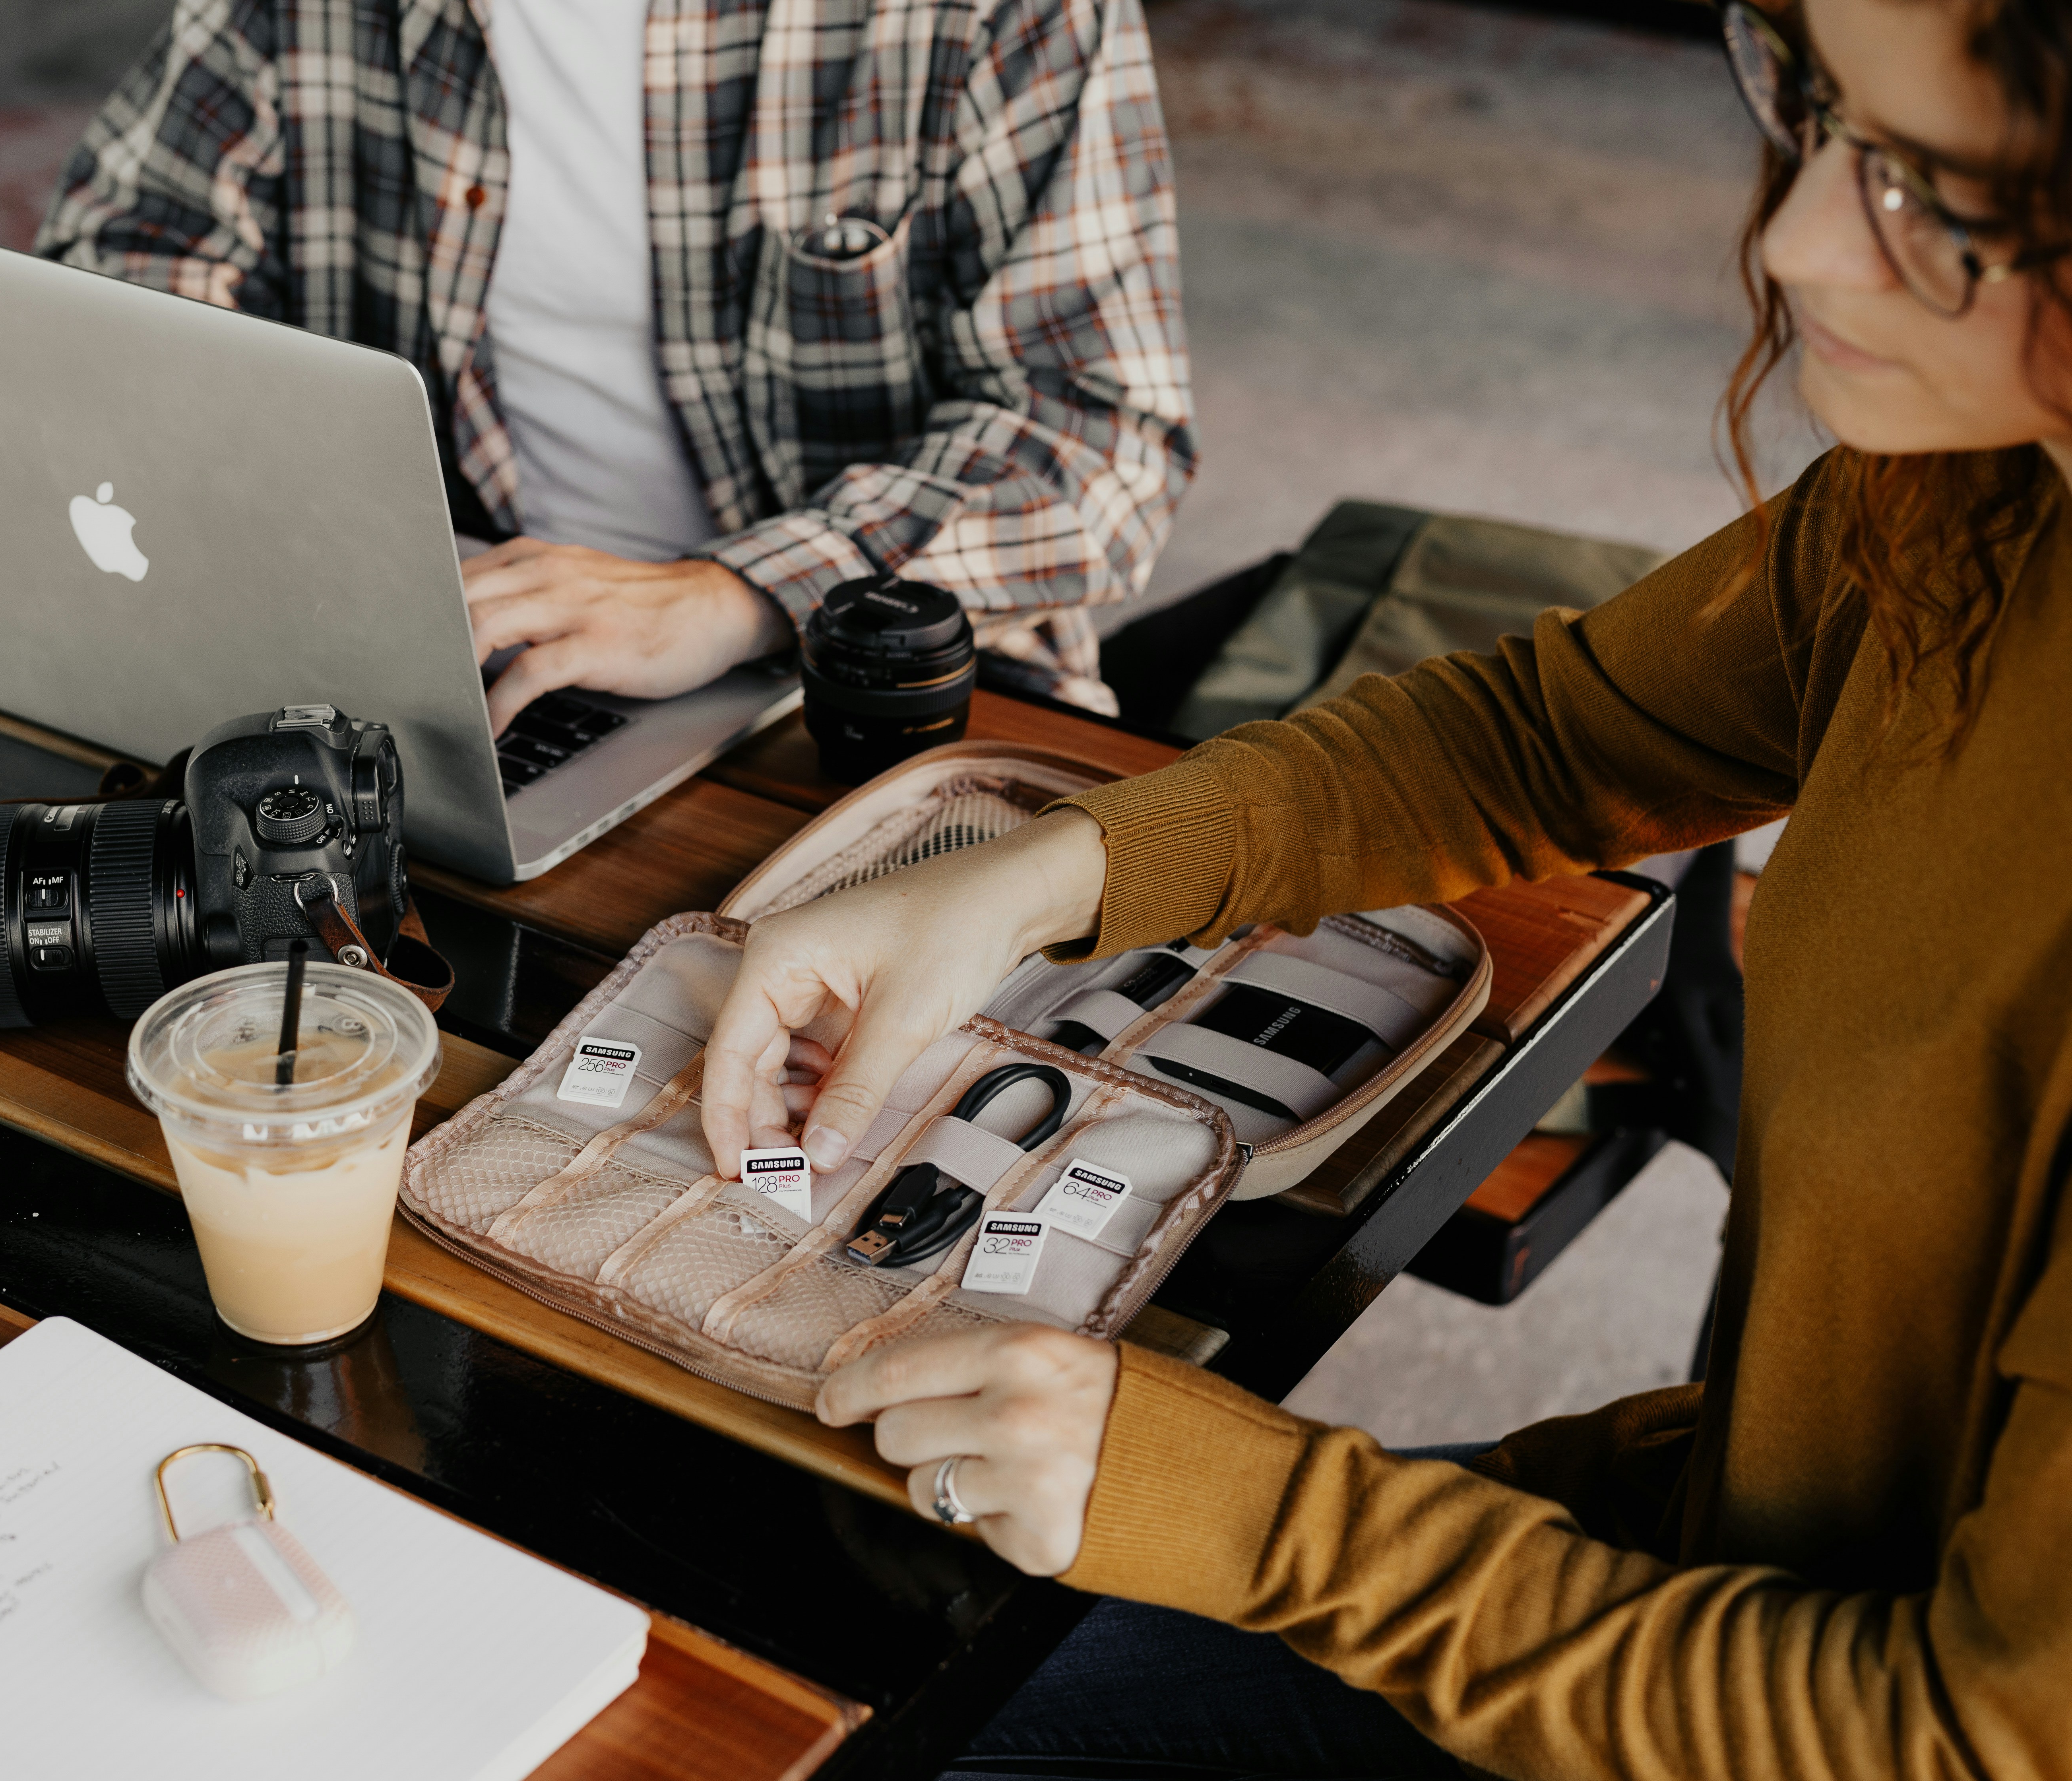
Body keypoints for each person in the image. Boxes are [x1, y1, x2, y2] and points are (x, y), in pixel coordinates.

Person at [699, 0, 2072, 1773]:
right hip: (1707, 1560)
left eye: (1936, 202)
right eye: (1818, 114)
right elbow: (1545, 734)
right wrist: (1037, 878)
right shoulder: (1979, 514)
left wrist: (1254, 1518)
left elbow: (1961, 1739)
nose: (1801, 235)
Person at [35, 0, 1193, 731]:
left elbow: (1096, 437)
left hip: (875, 695)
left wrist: (736, 595)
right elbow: (126, 254)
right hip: (466, 645)